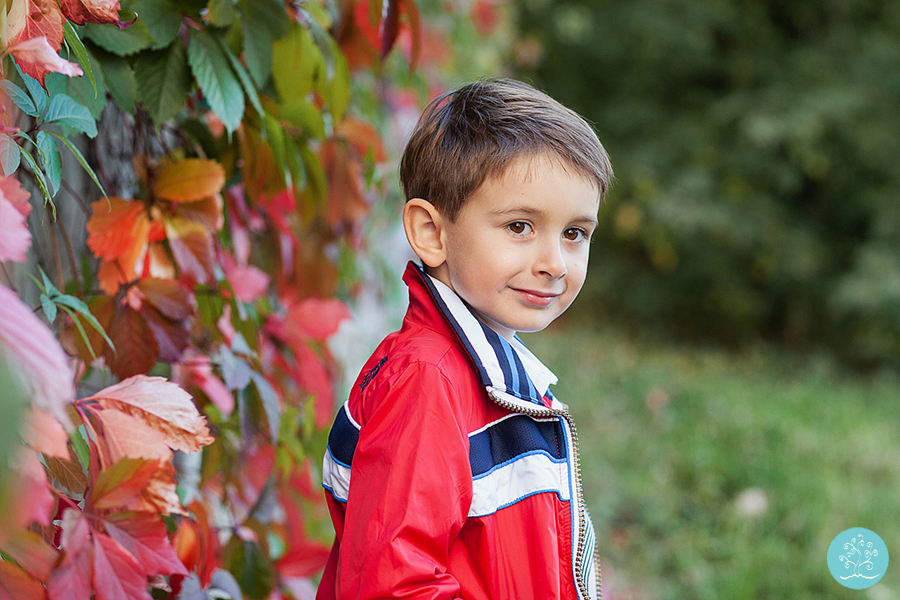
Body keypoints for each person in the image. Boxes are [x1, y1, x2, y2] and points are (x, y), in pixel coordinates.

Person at [317, 78, 613, 600]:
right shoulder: (426, 382)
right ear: (432, 233)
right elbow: (394, 587)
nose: (554, 264)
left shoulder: (493, 375)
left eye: (574, 233)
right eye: (520, 226)